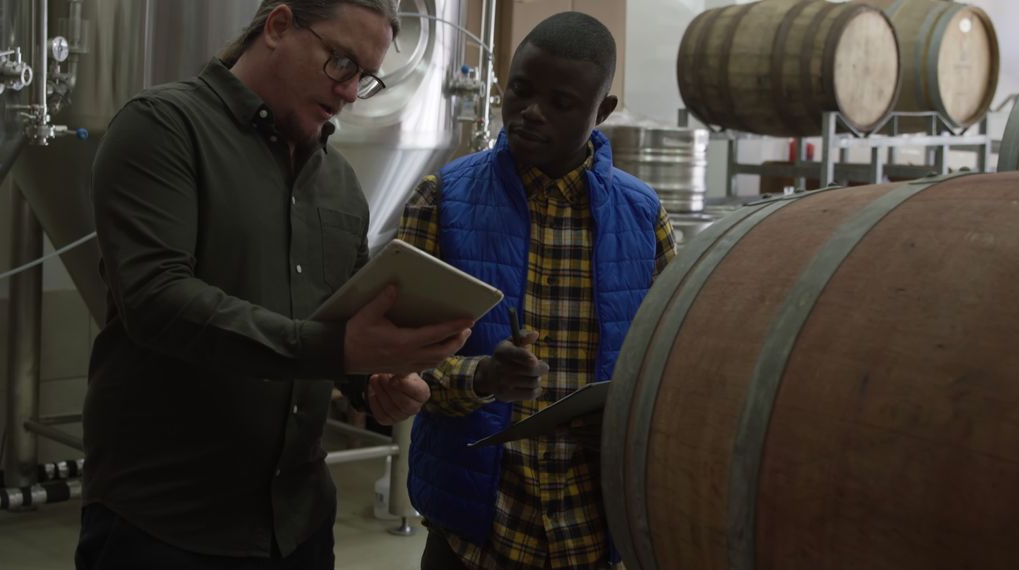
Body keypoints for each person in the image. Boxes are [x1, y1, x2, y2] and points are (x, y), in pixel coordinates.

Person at [75, 2, 474, 568]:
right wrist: (336, 348)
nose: (351, 92)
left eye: (366, 76)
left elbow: (337, 321)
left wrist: (376, 380)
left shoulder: (338, 182)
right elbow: (157, 301)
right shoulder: (163, 127)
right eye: (341, 62)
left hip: (299, 526)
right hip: (165, 525)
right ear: (279, 25)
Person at [398, 11, 678, 570]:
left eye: (560, 103)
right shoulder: (442, 201)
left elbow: (674, 367)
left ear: (602, 112)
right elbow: (396, 360)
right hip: (475, 530)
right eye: (520, 90)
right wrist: (481, 378)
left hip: (593, 529)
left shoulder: (645, 219)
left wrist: (627, 421)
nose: (531, 112)